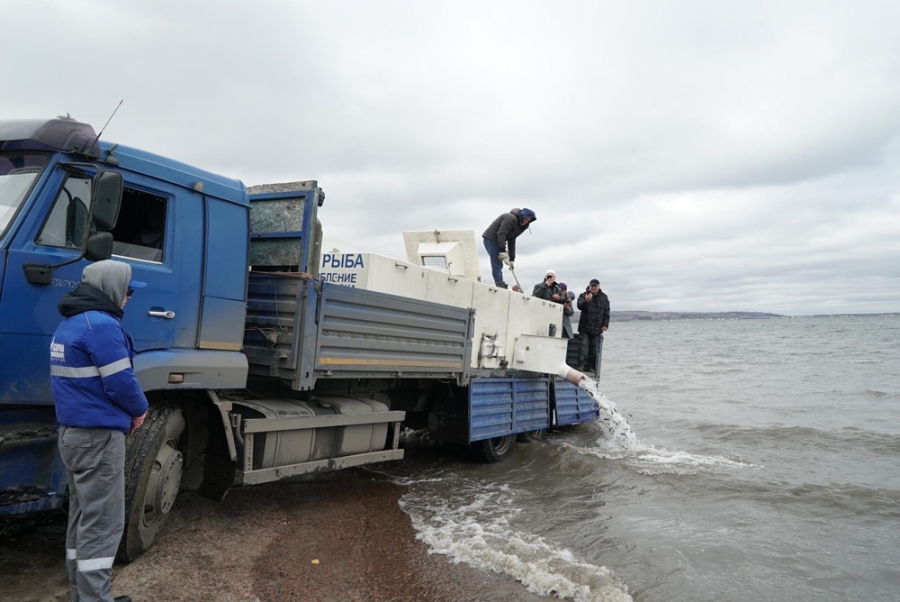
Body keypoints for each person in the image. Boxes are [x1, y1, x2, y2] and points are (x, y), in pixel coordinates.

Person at [51, 260, 149, 602]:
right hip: (98, 438)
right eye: (127, 291)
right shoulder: (101, 326)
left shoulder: (70, 323)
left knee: (83, 520)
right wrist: (140, 411)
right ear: (111, 289)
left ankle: (84, 595)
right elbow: (122, 383)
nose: (128, 298)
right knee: (103, 524)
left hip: (73, 436)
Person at [482, 207, 536, 288]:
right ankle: (499, 283)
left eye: (529, 220)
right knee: (497, 261)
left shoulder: (522, 226)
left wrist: (512, 259)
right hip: (491, 238)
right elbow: (501, 233)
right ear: (522, 216)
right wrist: (502, 250)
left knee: (499, 262)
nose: (527, 221)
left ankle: (500, 281)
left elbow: (512, 240)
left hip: (499, 241)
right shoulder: (510, 218)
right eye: (526, 218)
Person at [576, 278, 610, 372]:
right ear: (589, 286)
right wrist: (586, 301)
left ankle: (591, 366)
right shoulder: (584, 295)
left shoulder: (604, 297)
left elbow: (606, 311)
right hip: (584, 327)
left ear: (599, 287)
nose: (594, 288)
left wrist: (605, 324)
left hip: (597, 328)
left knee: (593, 349)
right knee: (583, 348)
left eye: (595, 286)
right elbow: (579, 306)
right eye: (592, 286)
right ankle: (581, 366)